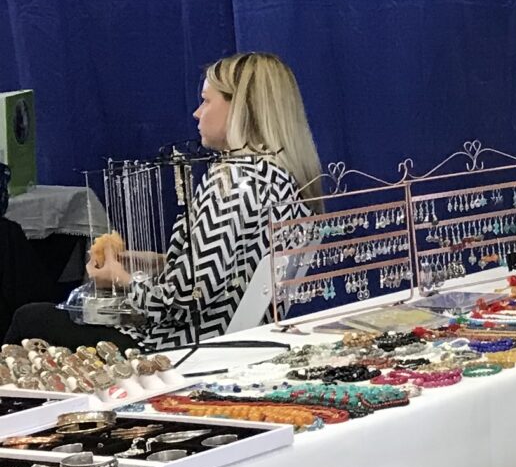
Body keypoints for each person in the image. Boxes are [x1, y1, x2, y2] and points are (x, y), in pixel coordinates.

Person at [5, 53, 321, 352]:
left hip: (182, 347)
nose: (197, 113)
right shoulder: (280, 176)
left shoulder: (231, 182)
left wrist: (121, 280)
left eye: (206, 101)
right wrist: (160, 263)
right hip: (227, 335)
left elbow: (182, 299)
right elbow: (226, 272)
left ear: (240, 107)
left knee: (31, 317)